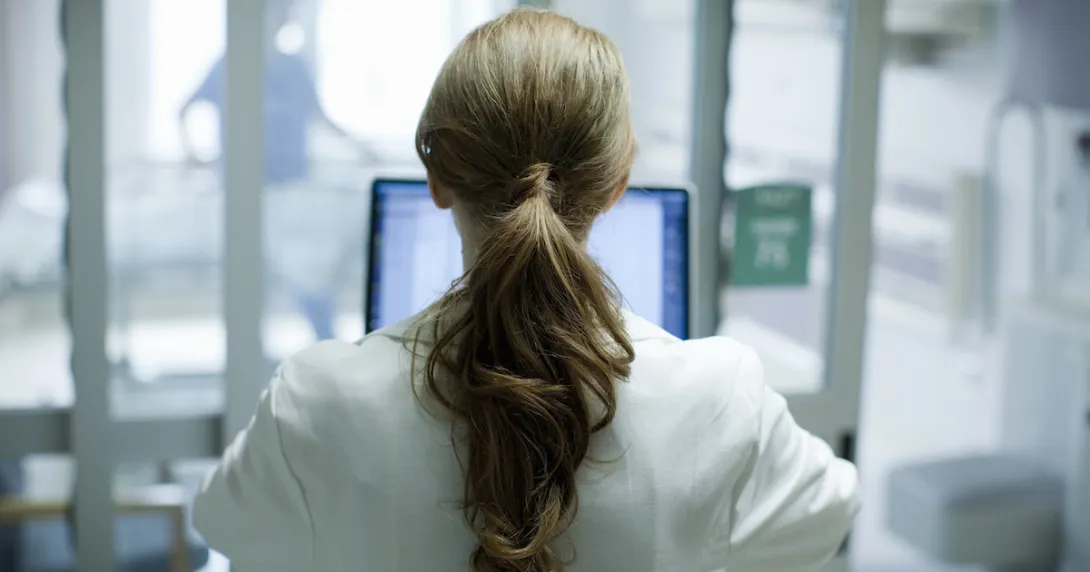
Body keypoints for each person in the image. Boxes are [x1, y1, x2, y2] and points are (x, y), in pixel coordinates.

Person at [192, 8, 859, 571]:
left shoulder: (316, 402)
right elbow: (831, 511)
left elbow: (225, 525)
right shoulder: (720, 397)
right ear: (617, 186)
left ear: (437, 178)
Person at [178, 0, 375, 341]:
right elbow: (184, 109)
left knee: (307, 271)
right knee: (271, 276)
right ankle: (268, 349)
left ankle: (326, 342)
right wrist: (191, 155)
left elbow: (319, 117)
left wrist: (361, 148)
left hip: (290, 191)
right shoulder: (230, 66)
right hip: (245, 193)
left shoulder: (292, 68)